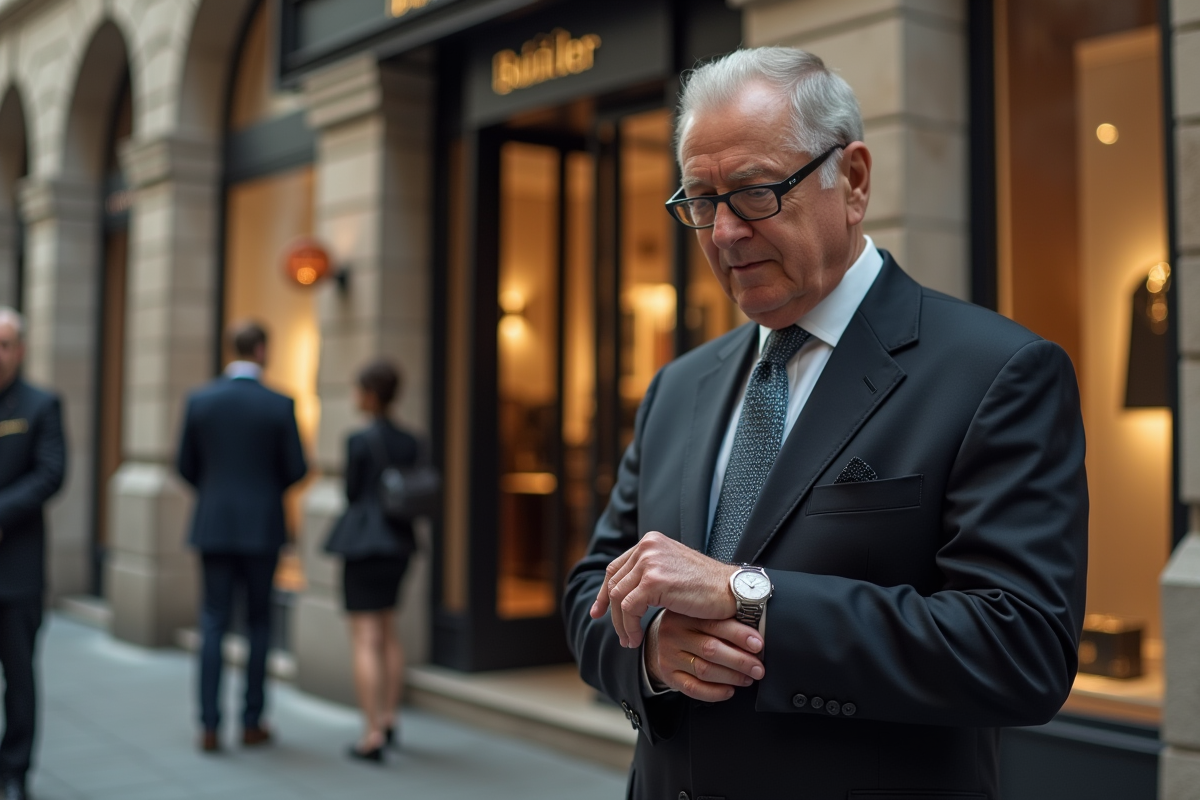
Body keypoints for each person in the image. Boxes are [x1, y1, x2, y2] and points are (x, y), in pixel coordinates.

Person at [563, 47, 1088, 800]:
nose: (723, 234)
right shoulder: (679, 386)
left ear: (854, 180)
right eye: (702, 201)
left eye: (753, 193)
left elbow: (1020, 648)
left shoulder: (996, 371)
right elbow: (596, 585)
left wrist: (750, 597)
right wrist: (649, 652)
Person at [177, 321, 307, 753]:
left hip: (213, 524)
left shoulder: (201, 400)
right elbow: (297, 468)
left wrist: (216, 493)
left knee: (213, 622)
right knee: (258, 625)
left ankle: (209, 726)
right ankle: (252, 722)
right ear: (263, 350)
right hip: (262, 527)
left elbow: (184, 465)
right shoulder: (279, 403)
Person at [323, 359, 419, 763]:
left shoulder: (358, 440)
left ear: (370, 393)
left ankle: (372, 732)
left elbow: (351, 493)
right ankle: (390, 716)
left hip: (364, 543)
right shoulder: (412, 440)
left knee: (366, 636)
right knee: (388, 629)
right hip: (399, 543)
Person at [0, 308, 65, 800]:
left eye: (5, 344)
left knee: (19, 679)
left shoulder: (41, 405)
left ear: (20, 349)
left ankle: (15, 770)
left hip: (17, 571)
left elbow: (50, 473)